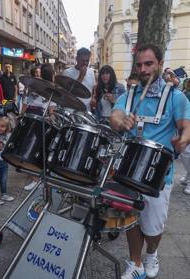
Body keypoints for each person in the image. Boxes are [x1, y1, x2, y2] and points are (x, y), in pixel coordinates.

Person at [110, 44, 190, 279]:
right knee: (131, 219)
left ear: (160, 63)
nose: (144, 69)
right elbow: (115, 115)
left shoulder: (176, 97)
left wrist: (183, 140)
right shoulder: (130, 95)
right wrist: (121, 121)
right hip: (128, 169)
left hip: (159, 174)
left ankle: (152, 253)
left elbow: (186, 126)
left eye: (149, 64)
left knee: (153, 227)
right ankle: (136, 262)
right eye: (140, 65)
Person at [21, 64, 56, 191]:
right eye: (36, 74)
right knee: (25, 151)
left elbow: (52, 112)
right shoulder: (32, 88)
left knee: (35, 151)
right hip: (29, 118)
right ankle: (35, 178)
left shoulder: (51, 90)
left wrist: (50, 117)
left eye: (39, 74)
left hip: (40, 121)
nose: (37, 76)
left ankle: (37, 179)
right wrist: (21, 116)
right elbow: (25, 104)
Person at [62, 47, 96, 111]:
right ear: (77, 59)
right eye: (83, 60)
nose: (85, 63)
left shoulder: (91, 72)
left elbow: (93, 88)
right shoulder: (67, 72)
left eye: (87, 61)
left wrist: (93, 97)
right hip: (71, 110)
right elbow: (68, 93)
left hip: (86, 110)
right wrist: (81, 76)